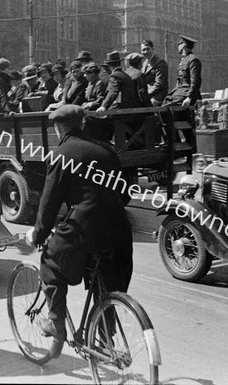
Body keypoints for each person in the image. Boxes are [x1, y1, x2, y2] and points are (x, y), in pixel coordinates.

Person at [26, 105, 133, 358]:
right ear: (82, 124)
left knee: (50, 261)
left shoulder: (61, 154)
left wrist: (38, 234)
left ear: (57, 129)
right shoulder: (108, 150)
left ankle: (54, 321)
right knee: (107, 284)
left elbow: (49, 202)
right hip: (119, 227)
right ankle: (105, 338)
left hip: (85, 226)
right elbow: (124, 192)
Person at [162, 35, 202, 107]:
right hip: (179, 92)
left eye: (179, 44)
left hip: (186, 93)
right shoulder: (184, 60)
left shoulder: (193, 60)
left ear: (183, 45)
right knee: (164, 104)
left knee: (168, 108)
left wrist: (189, 97)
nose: (178, 47)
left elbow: (195, 81)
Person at [140, 40, 169, 106]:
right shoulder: (144, 64)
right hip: (148, 94)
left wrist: (146, 94)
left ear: (152, 49)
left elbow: (160, 84)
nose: (145, 52)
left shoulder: (160, 63)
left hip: (158, 95)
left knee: (151, 103)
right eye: (143, 50)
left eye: (148, 49)